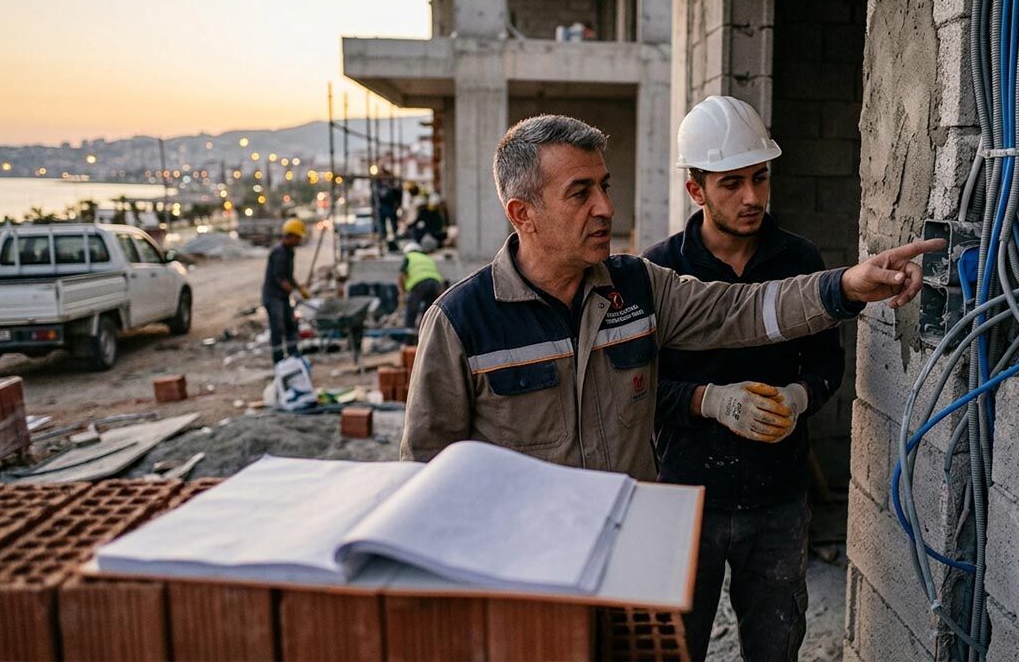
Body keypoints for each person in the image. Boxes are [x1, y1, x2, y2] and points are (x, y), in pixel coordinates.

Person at [400, 113, 941, 481]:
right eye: (580, 193)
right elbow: (426, 472)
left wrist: (847, 286)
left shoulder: (638, 285)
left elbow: (744, 310)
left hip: (628, 546)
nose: (606, 209)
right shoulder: (461, 322)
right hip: (528, 575)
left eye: (605, 186)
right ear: (523, 214)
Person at [643, 95, 840, 660]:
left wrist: (799, 397)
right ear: (695, 189)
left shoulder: (800, 260)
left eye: (760, 178)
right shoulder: (659, 274)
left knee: (775, 646)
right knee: (677, 648)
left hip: (776, 497)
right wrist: (710, 401)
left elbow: (828, 362)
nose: (752, 197)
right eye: (731, 184)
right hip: (686, 498)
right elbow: (636, 391)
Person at [262, 218, 309, 364]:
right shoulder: (279, 253)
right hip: (273, 296)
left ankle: (293, 356)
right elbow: (280, 278)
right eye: (298, 237)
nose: (300, 240)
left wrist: (299, 288)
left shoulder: (289, 252)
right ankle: (279, 361)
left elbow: (288, 276)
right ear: (291, 236)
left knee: (291, 325)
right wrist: (293, 292)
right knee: (278, 329)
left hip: (282, 297)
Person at [399, 241, 445, 330]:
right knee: (428, 312)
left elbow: (402, 275)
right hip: (435, 284)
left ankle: (409, 336)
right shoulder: (427, 258)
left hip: (419, 284)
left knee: (412, 309)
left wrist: (402, 293)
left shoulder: (409, 257)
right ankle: (425, 331)